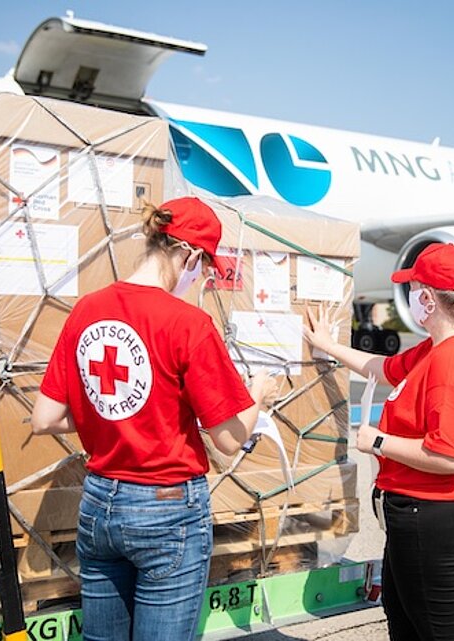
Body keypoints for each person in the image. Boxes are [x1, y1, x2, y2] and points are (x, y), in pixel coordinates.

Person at [31, 196, 278, 641]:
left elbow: (45, 417)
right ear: (190, 255)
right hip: (166, 511)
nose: (203, 278)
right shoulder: (189, 323)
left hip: (99, 505)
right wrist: (258, 392)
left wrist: (112, 412)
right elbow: (228, 438)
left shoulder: (87, 308)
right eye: (204, 269)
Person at [303, 242, 454, 641]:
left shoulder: (453, 362)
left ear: (427, 298)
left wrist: (378, 442)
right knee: (404, 617)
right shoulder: (433, 350)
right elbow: (383, 369)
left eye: (412, 290)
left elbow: (449, 457)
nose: (408, 297)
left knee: (437, 631)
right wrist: (328, 346)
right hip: (419, 516)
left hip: (444, 518)